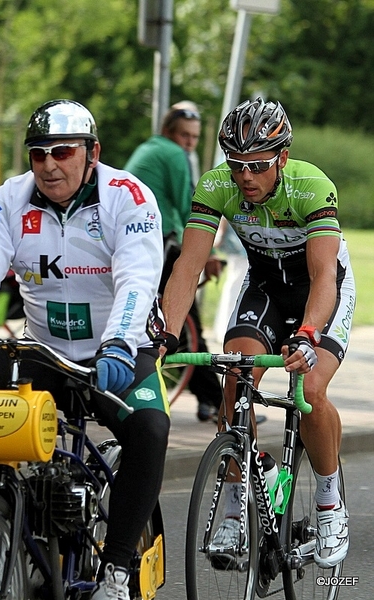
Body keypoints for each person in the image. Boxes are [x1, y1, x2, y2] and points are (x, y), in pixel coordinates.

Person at [0, 99, 170, 600]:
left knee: (151, 429)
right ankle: (2, 512)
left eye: (62, 151)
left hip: (119, 350)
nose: (49, 164)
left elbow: (138, 278)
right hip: (42, 352)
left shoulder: (129, 197)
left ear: (92, 153)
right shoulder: (8, 201)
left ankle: (115, 571)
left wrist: (117, 343)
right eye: (38, 154)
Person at [161, 97, 354, 568]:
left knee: (308, 387)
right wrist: (164, 336)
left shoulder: (311, 186)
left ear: (282, 158)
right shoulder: (216, 186)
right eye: (236, 165)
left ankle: (330, 503)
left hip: (319, 291)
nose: (245, 176)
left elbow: (325, 275)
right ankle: (233, 499)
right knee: (236, 375)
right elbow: (188, 266)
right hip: (266, 287)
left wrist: (308, 334)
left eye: (258, 165)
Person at [125, 102, 224, 422]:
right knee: (180, 321)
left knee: (175, 325)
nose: (190, 143)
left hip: (133, 242)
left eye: (194, 137)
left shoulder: (148, 148)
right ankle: (222, 405)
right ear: (169, 132)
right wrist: (206, 253)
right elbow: (190, 208)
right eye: (185, 135)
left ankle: (209, 400)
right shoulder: (173, 154)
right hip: (158, 244)